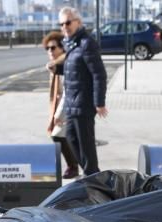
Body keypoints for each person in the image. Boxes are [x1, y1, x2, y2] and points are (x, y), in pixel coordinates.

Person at [58, 6, 108, 175]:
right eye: (61, 24)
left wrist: (99, 102)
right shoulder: (71, 43)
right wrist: (56, 69)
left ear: (78, 22)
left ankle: (93, 179)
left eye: (67, 22)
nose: (64, 27)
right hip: (72, 103)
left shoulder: (86, 43)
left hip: (84, 103)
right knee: (71, 139)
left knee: (86, 147)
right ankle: (92, 174)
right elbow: (74, 69)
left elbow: (99, 74)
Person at [42, 31, 80, 179]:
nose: (50, 51)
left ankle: (73, 166)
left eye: (53, 48)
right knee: (65, 136)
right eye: (47, 48)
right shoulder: (54, 65)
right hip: (63, 106)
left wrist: (59, 113)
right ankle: (76, 165)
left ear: (62, 48)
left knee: (58, 135)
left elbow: (67, 91)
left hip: (70, 106)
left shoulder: (64, 64)